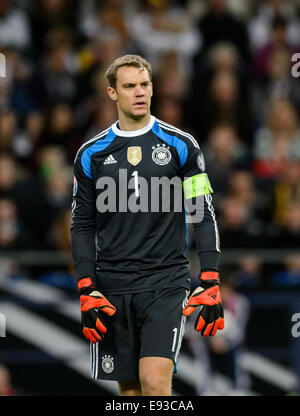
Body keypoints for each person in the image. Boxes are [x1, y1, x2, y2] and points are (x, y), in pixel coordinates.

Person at [70, 54, 224, 396]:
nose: (139, 92)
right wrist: (85, 285)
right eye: (129, 86)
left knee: (154, 382)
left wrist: (210, 275)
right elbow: (81, 224)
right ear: (112, 93)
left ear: (152, 88)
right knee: (130, 393)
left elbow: (202, 211)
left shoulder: (182, 145)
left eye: (144, 85)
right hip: (112, 287)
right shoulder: (90, 154)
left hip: (165, 282)